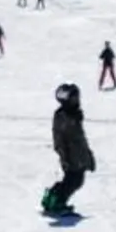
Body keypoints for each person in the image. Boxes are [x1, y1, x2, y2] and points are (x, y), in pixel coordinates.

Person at [42, 83, 94, 216]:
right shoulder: (65, 116)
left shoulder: (72, 115)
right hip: (70, 154)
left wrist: (88, 155)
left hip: (76, 153)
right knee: (74, 180)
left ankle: (54, 199)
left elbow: (80, 137)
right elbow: (61, 137)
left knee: (73, 180)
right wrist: (64, 155)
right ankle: (57, 201)